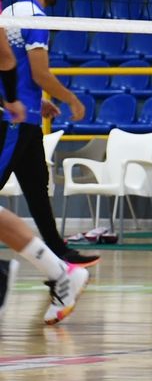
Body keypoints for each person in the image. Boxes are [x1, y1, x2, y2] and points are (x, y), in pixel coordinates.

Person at [0, 0, 91, 266]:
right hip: (14, 120)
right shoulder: (37, 17)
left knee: (37, 187)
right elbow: (40, 72)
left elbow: (10, 65)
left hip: (25, 115)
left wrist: (40, 104)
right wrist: (72, 100)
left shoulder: (8, 12)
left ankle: (58, 251)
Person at [0, 36, 89, 325]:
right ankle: (60, 271)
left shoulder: (21, 14)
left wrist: (15, 99)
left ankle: (56, 271)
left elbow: (6, 57)